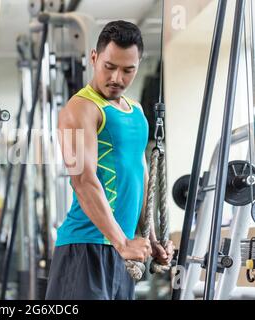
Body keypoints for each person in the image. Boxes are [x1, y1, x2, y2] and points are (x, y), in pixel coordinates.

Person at [45, 21, 174, 300]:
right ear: (94, 58)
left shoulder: (137, 111)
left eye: (128, 70)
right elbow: (83, 181)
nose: (117, 77)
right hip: (86, 247)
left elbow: (140, 176)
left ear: (139, 64)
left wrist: (149, 237)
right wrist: (122, 242)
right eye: (109, 66)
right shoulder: (81, 108)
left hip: (122, 250)